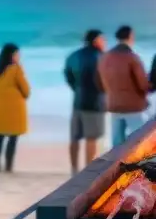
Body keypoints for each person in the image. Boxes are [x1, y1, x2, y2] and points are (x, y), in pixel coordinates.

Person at [97, 25, 150, 148]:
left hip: (113, 105)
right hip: (133, 107)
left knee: (117, 144)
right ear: (131, 37)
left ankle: (116, 166)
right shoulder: (132, 58)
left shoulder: (105, 57)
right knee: (139, 141)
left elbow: (100, 81)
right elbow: (143, 85)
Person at [64, 29, 107, 173]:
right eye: (102, 39)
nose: (104, 42)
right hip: (94, 102)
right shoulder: (101, 57)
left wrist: (76, 88)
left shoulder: (73, 55)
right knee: (91, 138)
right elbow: (104, 80)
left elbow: (68, 75)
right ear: (95, 41)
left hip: (78, 101)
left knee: (75, 137)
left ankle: (74, 169)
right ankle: (88, 170)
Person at [0, 43, 30, 173]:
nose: (19, 57)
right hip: (14, 108)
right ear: (11, 55)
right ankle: (8, 167)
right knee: (12, 138)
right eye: (17, 54)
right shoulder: (16, 69)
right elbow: (26, 90)